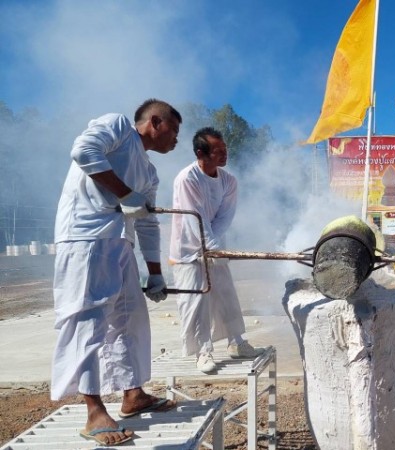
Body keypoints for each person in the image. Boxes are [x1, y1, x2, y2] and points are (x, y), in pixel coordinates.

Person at [51, 99, 181, 446]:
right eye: (174, 130)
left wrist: (155, 273)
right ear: (155, 122)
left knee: (128, 318)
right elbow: (83, 151)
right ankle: (94, 411)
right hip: (85, 237)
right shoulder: (119, 127)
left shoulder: (150, 173)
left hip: (119, 242)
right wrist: (124, 193)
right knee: (89, 319)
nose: (177, 140)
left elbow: (149, 223)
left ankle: (132, 394)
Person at [170, 127, 264, 374]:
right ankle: (202, 352)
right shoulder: (187, 179)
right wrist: (208, 247)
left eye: (225, 150)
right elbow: (193, 217)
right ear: (201, 153)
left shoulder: (229, 181)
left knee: (225, 293)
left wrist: (215, 248)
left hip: (214, 243)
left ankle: (237, 342)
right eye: (218, 151)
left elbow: (224, 217)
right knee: (195, 301)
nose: (224, 155)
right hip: (187, 249)